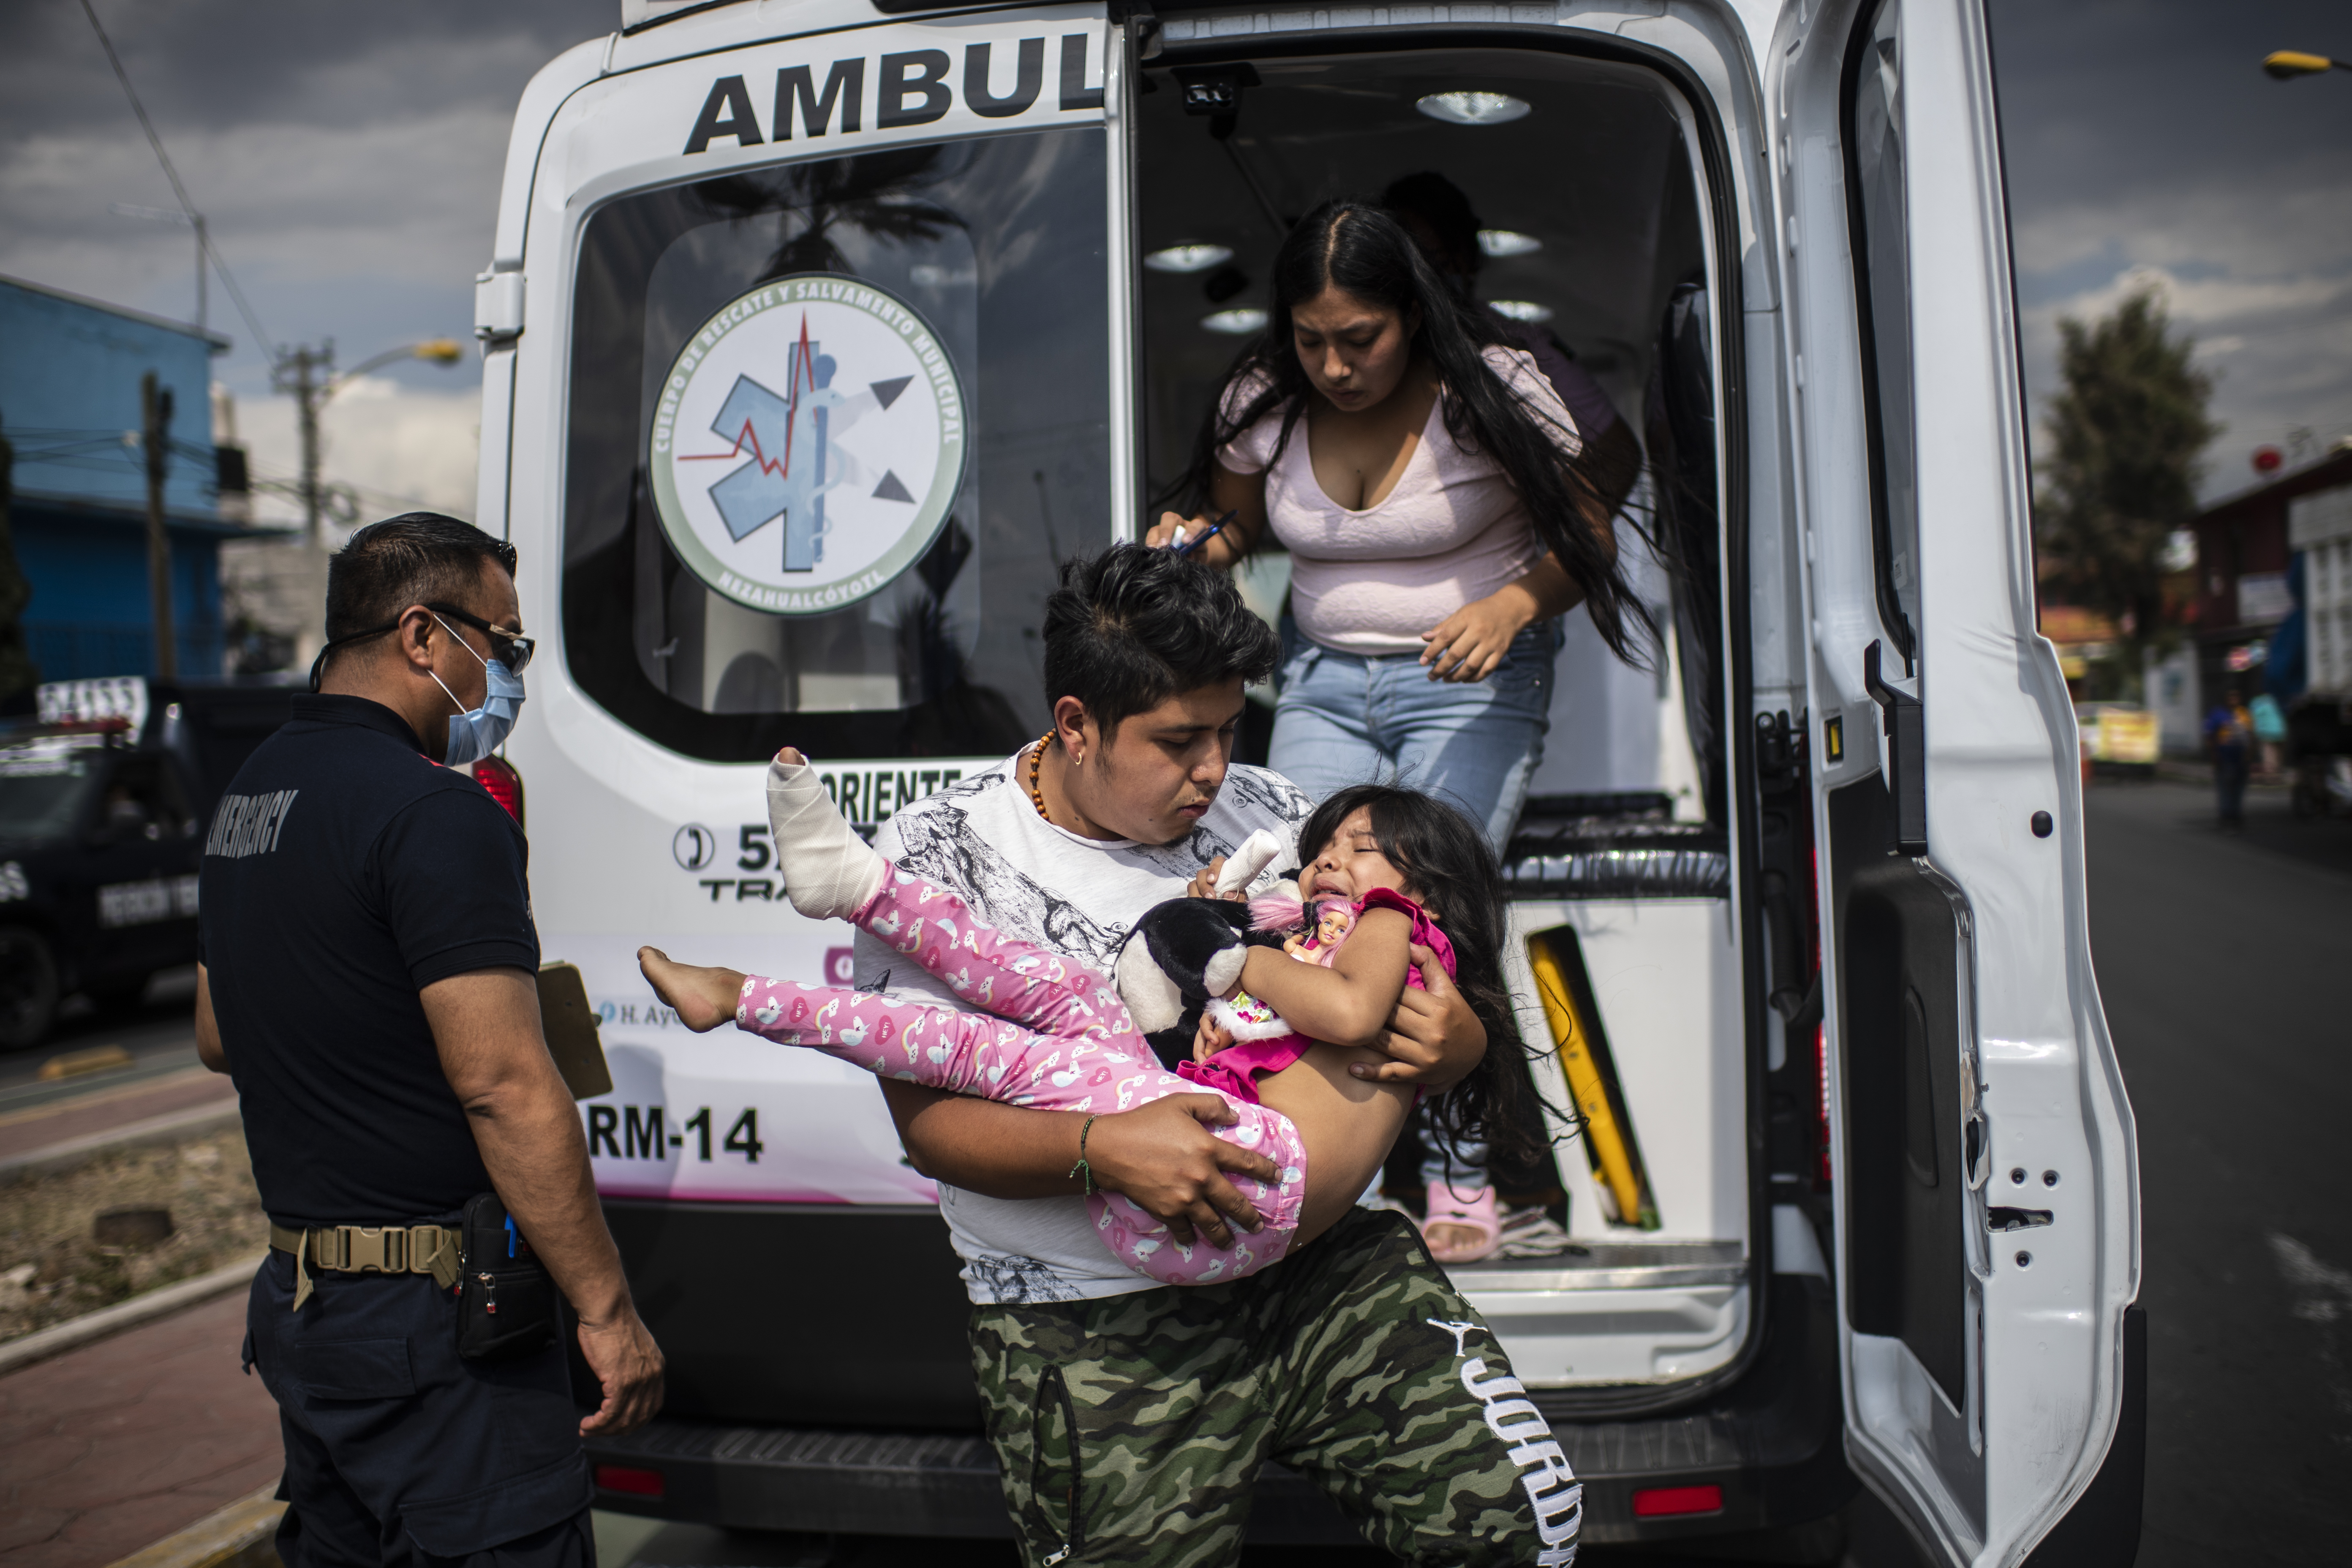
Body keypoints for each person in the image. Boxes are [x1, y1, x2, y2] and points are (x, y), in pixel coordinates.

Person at [832, 546, 1579, 1565]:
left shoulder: (1271, 813)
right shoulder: (940, 854)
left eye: (1230, 728)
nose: (1215, 769)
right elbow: (930, 1125)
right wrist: (1107, 1151)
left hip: (1324, 1280)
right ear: (1075, 725)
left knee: (1517, 1533)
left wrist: (1461, 1046)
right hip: (1096, 1323)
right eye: (1179, 741)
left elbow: (1398, 973)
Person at [1150, 199, 1656, 1263]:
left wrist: (1515, 603)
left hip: (1470, 681)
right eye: (1310, 339)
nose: (1334, 366)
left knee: (1420, 913)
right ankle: (1325, 1164)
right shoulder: (1263, 401)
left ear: (1413, 319)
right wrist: (1201, 547)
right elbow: (1243, 523)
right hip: (1325, 682)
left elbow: (1598, 508)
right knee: (1300, 908)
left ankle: (1458, 1180)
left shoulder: (1496, 384)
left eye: (1360, 338)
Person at [195, 513, 663, 1568]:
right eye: (503, 645)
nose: (509, 674)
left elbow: (219, 1031)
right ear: (421, 637)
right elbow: (503, 1083)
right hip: (438, 1327)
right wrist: (605, 1308)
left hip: (304, 1308)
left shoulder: (246, 797)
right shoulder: (433, 813)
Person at [638, 772, 1542, 1288]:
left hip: (1247, 1176)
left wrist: (1229, 960)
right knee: (1065, 991)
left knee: (989, 1051)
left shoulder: (1387, 923)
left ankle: (748, 995)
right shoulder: (1315, 927)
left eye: (1363, 844)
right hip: (1214, 1163)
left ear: (1422, 881)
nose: (1333, 857)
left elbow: (1345, 1013)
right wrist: (1221, 919)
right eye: (1330, 844)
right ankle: (859, 887)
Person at [1381, 170, 1645, 520]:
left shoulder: (1517, 348)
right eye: (1412, 266)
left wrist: (1562, 541)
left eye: (1438, 263)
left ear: (1469, 261)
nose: (1428, 280)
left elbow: (1617, 453)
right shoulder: (1363, 349)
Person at [2205, 685, 2253, 831]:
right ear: (2225, 699)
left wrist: (2249, 755)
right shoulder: (2218, 714)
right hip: (2224, 757)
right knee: (2225, 787)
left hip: (2241, 758)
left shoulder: (2244, 714)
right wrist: (2214, 756)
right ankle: (2226, 816)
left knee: (2239, 788)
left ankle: (2237, 815)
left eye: (2236, 696)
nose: (2234, 700)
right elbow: (2209, 735)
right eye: (2231, 697)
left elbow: (2251, 735)